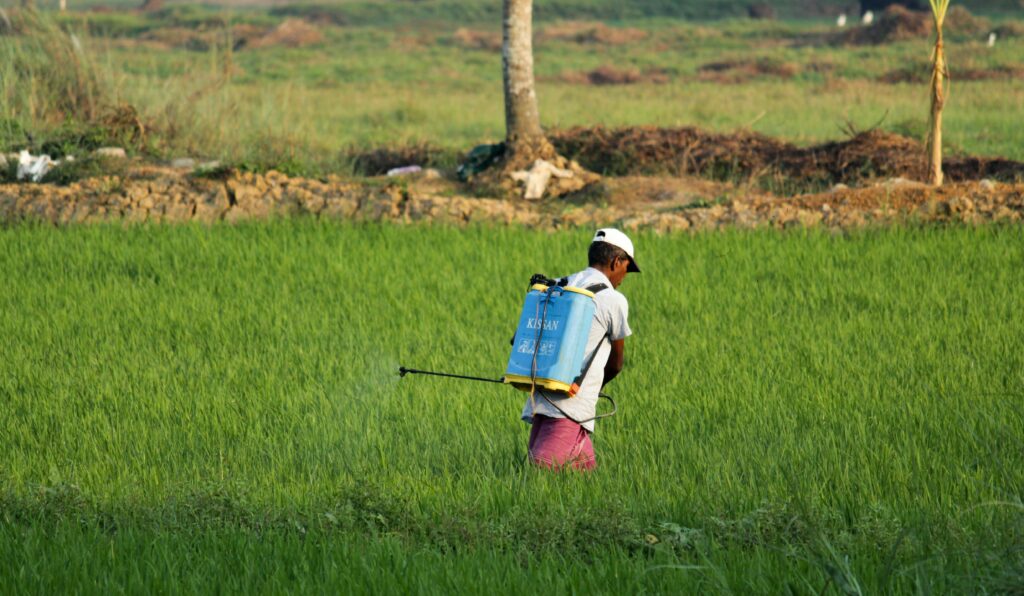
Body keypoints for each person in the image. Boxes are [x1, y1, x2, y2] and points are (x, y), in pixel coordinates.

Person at [521, 228, 639, 471]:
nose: (624, 277)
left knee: (582, 477)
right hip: (571, 406)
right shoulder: (613, 299)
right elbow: (616, 364)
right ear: (616, 261)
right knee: (542, 472)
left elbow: (524, 336)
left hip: (542, 396)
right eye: (626, 268)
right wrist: (592, 390)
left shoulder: (559, 285)